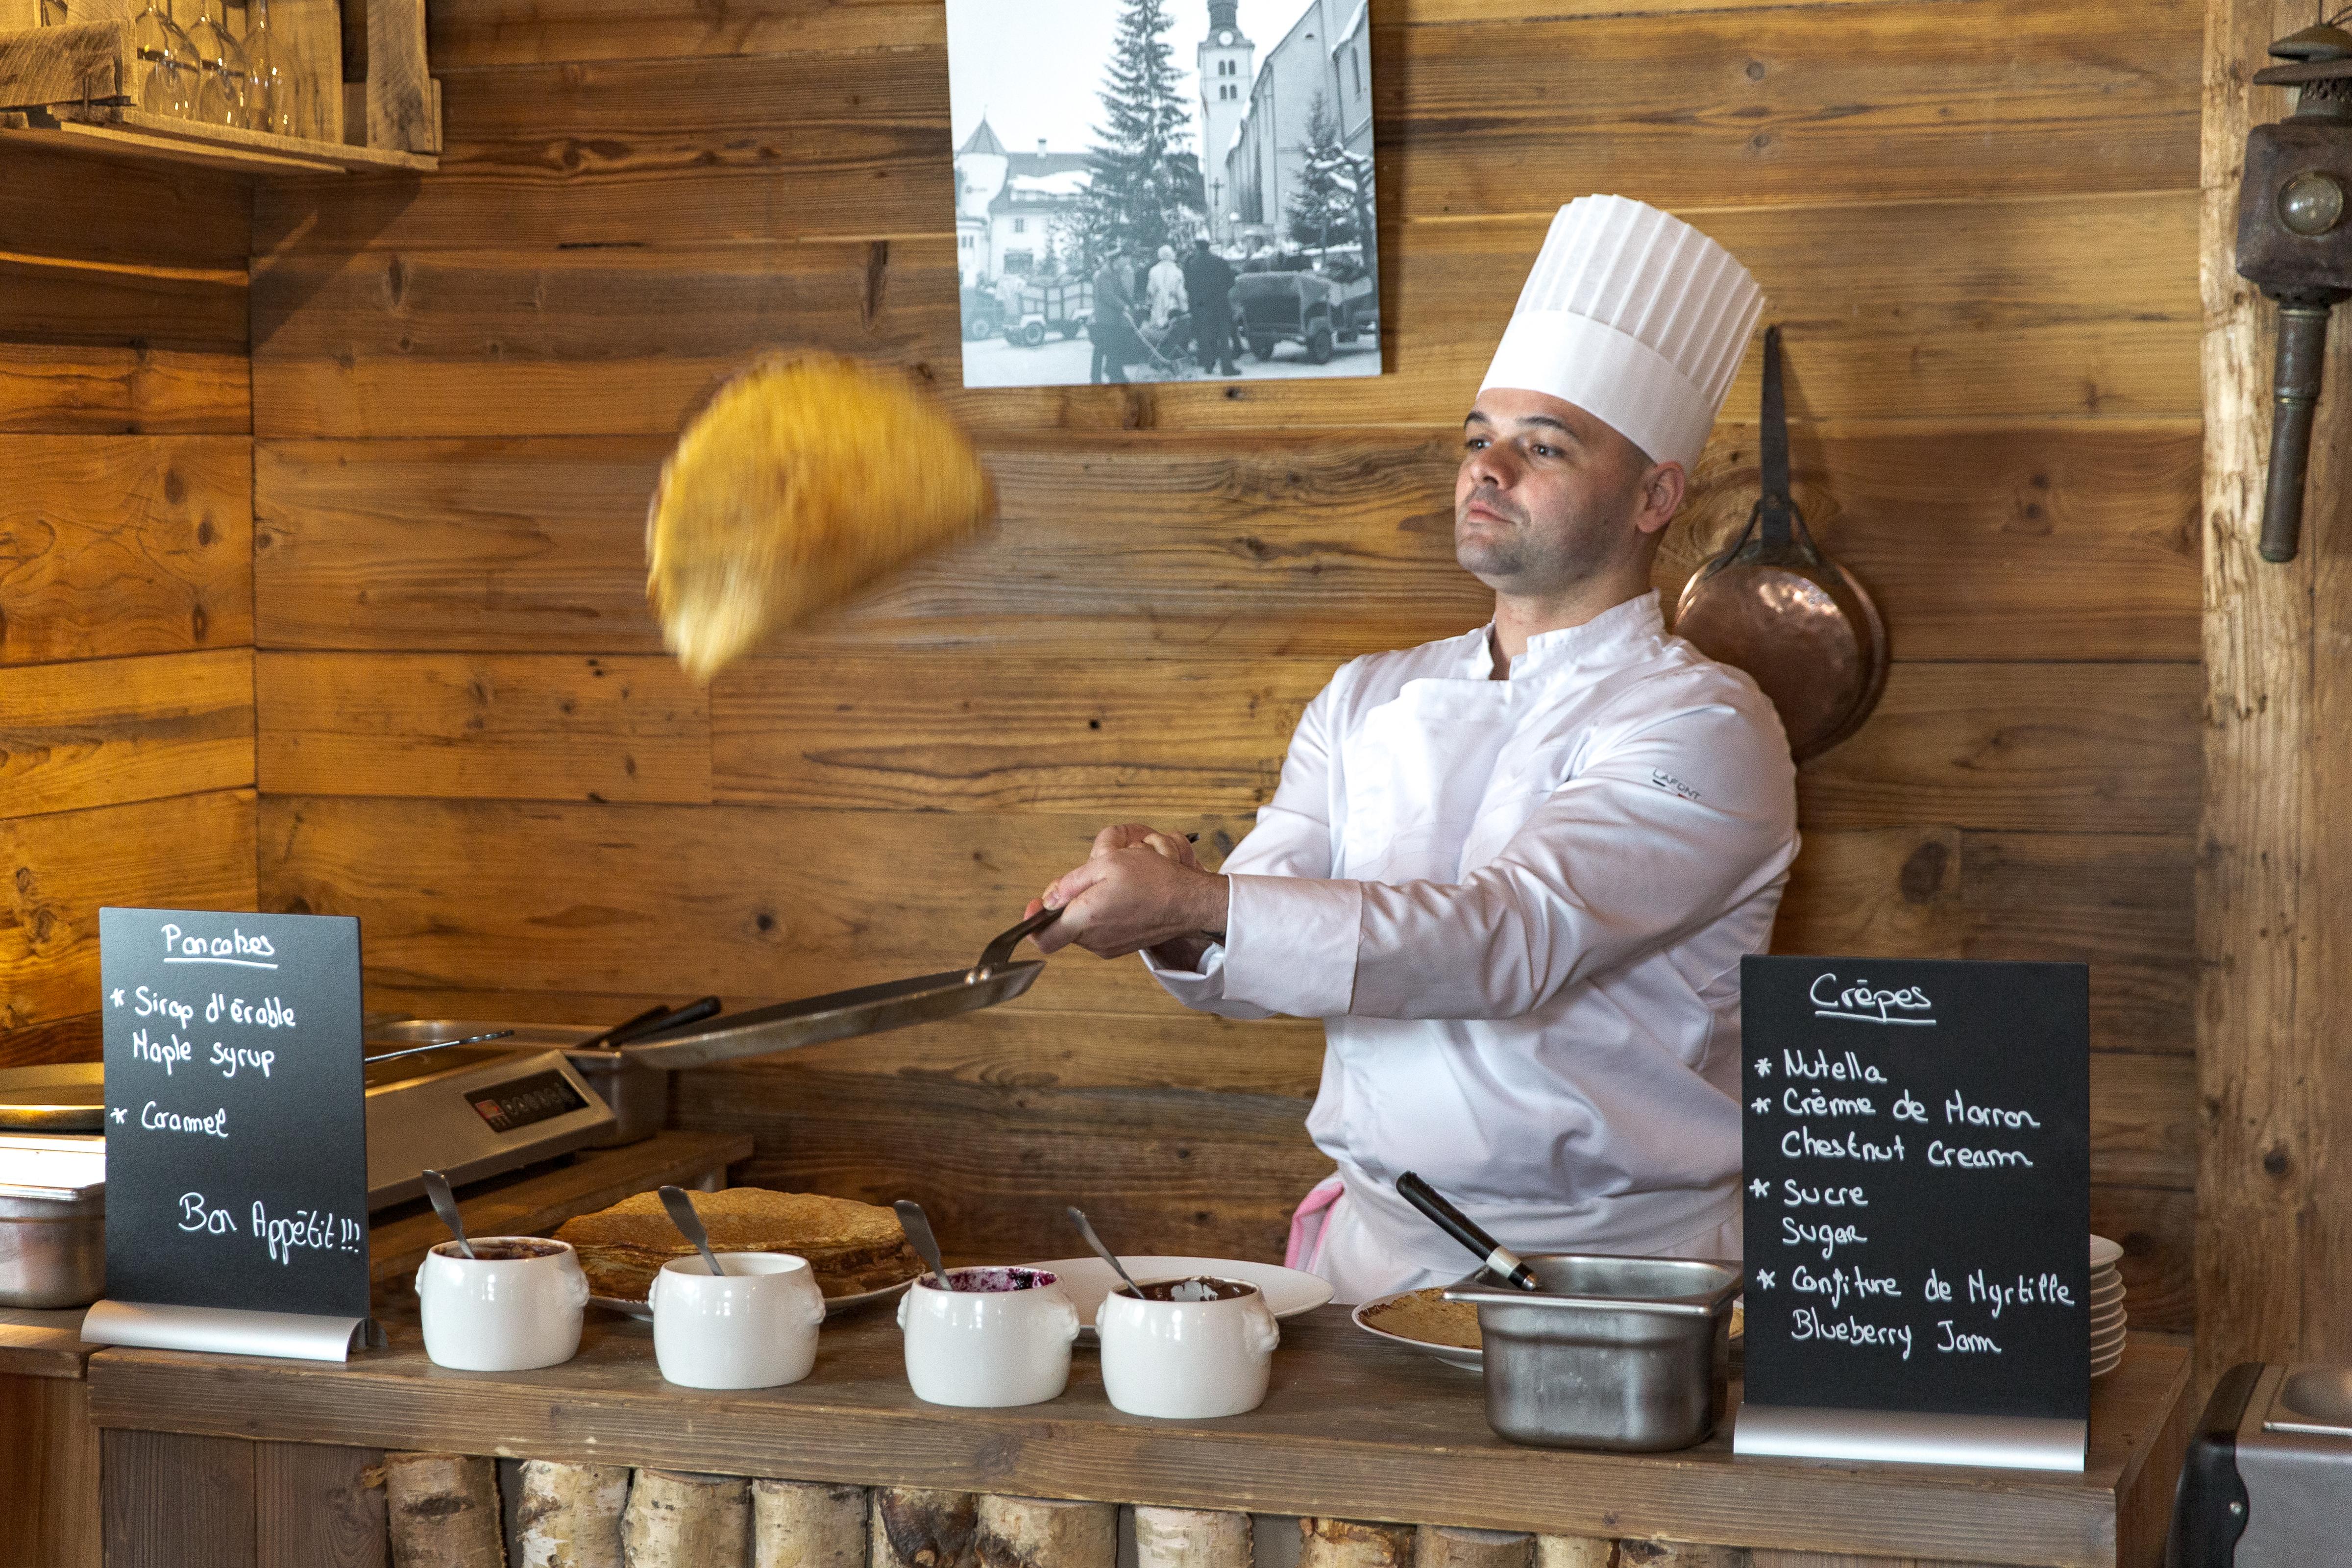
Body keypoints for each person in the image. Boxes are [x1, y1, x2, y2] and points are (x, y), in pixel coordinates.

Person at [1024, 196, 1796, 1303]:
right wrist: (1180, 912)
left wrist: (1203, 906)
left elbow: (1507, 936)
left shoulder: (1708, 728)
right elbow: (1262, 935)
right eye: (1477, 439)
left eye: (1542, 446)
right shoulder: (1366, 696)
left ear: (1654, 495)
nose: (1488, 470)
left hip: (1619, 1282)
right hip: (1372, 1265)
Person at [1181, 237, 1240, 376]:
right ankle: (1227, 368)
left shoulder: (1191, 265)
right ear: (1208, 248)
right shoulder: (1221, 262)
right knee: (1224, 337)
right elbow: (1231, 282)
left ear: (1197, 248)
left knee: (1207, 337)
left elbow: (1187, 286)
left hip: (1202, 307)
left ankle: (1209, 365)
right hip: (1220, 305)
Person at [1147, 244, 1188, 331]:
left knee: (1158, 331)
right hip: (1173, 306)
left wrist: (1150, 305)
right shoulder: (1177, 271)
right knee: (1173, 331)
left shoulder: (1153, 271)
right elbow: (1180, 292)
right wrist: (1184, 308)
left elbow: (1150, 291)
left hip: (1158, 305)